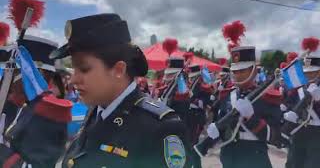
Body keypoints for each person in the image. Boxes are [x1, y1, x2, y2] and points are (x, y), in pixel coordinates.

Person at [50, 13, 192, 168]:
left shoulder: (160, 128)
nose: (73, 79)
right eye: (74, 68)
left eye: (84, 69)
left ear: (118, 70)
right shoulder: (97, 110)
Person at [196, 46, 283, 168]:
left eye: (242, 71)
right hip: (229, 159)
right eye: (235, 71)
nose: (238, 75)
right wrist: (215, 131)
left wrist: (251, 119)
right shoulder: (226, 96)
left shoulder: (267, 97)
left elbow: (277, 138)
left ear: (253, 70)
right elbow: (224, 125)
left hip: (255, 160)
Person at [0, 36, 73, 167]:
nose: (7, 79)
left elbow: (36, 162)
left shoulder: (49, 116)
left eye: (13, 72)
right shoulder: (10, 104)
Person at [283, 55, 320, 168]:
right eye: (306, 73)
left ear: (319, 72)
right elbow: (288, 103)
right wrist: (287, 113)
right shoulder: (298, 89)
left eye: (312, 73)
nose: (308, 75)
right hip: (298, 130)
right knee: (294, 162)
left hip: (317, 133)